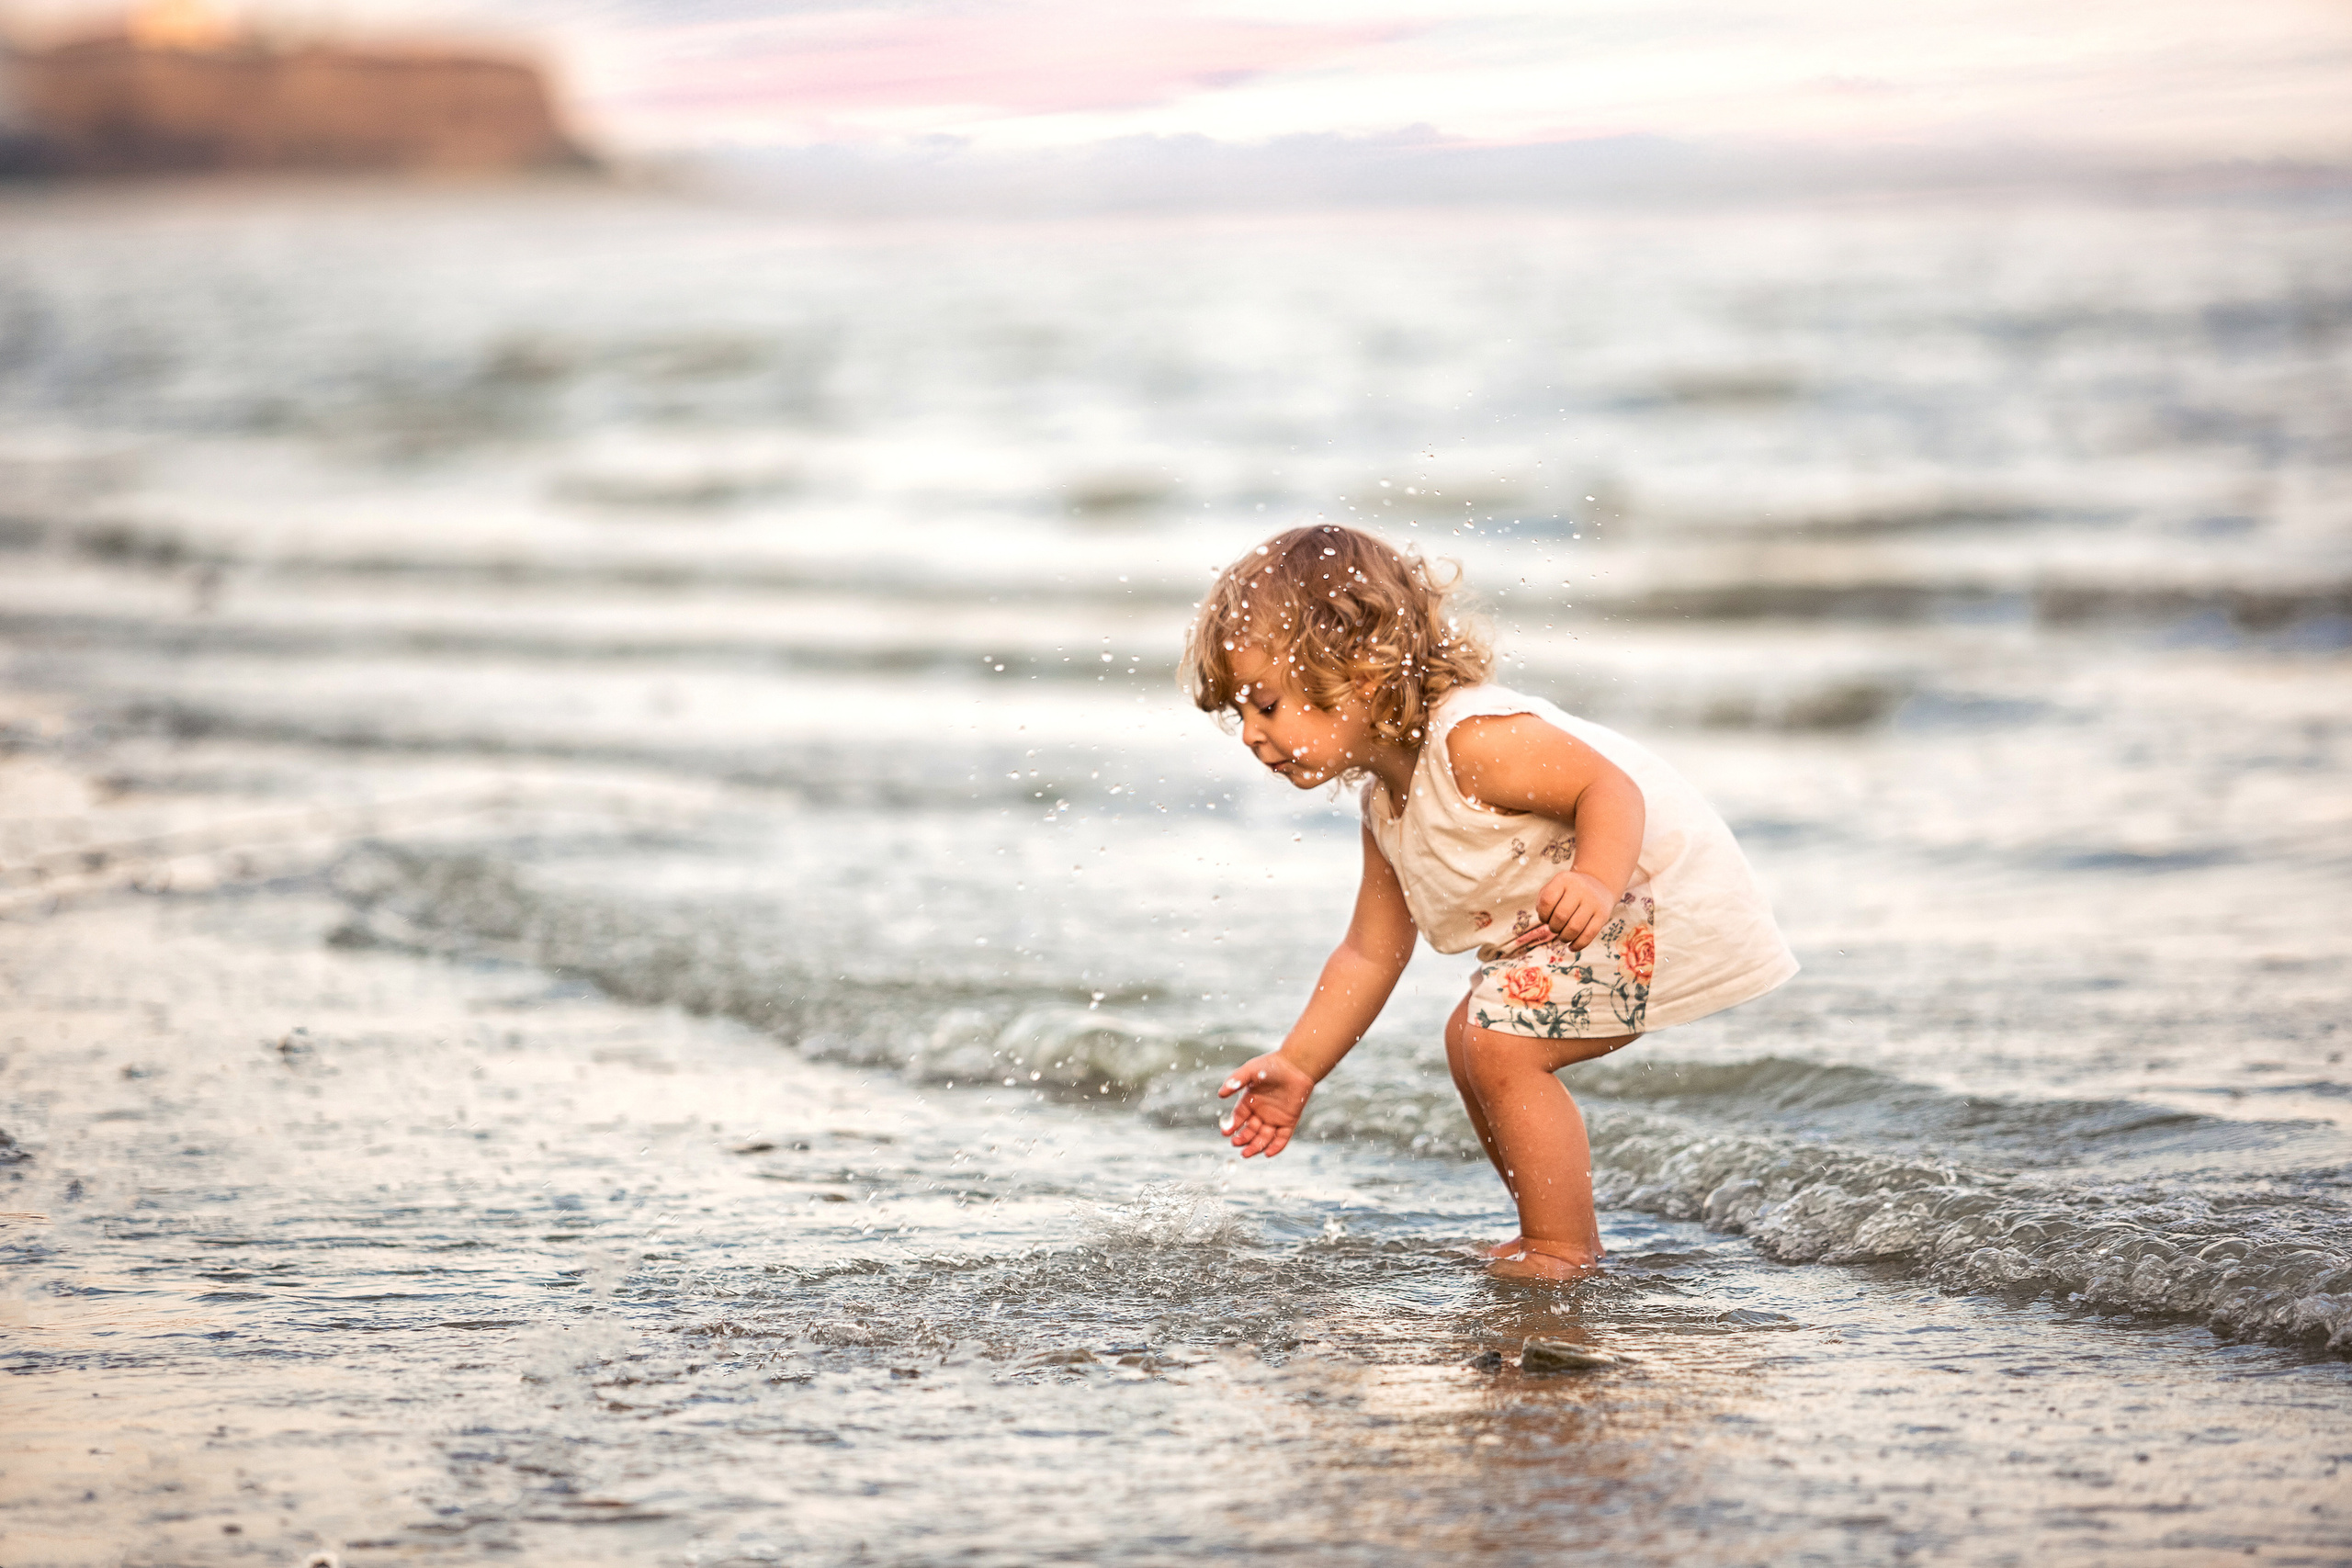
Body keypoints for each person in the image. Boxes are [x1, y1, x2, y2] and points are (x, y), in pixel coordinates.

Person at [1183, 524, 1797, 1280]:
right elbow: (1371, 952)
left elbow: (1607, 788)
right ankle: (1546, 1227)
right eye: (1238, 714)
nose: (1249, 734)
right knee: (1470, 1037)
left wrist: (1597, 881)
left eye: (1266, 705)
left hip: (1647, 897)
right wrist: (1300, 1063)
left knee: (1498, 1042)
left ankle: (1565, 1248)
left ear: (1360, 670)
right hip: (1576, 925)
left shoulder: (1473, 742)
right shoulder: (1387, 807)